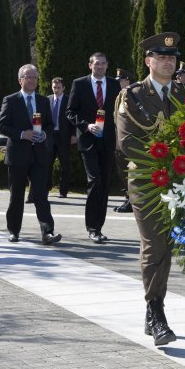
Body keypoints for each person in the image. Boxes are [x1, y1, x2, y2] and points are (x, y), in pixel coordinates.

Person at [115, 32, 185, 346]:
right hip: (146, 181)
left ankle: (153, 310)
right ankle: (155, 310)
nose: (168, 62)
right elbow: (127, 143)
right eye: (161, 57)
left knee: (167, 244)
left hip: (182, 183)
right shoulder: (132, 96)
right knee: (154, 243)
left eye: (172, 57)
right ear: (148, 61)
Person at [0, 64, 62, 245]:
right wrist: (21, 134)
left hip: (39, 155)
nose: (32, 80)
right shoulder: (10, 100)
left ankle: (47, 232)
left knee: (41, 195)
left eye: (35, 77)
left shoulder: (43, 101)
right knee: (16, 196)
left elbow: (49, 125)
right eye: (28, 77)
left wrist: (45, 135)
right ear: (20, 80)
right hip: (17, 155)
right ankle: (14, 231)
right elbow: (2, 126)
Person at [67, 53, 120, 243]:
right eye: (96, 64)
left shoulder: (114, 84)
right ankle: (91, 227)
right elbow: (70, 112)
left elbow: (119, 112)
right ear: (90, 65)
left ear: (107, 66)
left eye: (103, 64)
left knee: (104, 183)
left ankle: (99, 226)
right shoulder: (79, 84)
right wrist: (86, 125)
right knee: (95, 181)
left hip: (107, 140)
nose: (100, 67)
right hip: (88, 140)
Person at [28, 77, 74, 201]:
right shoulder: (47, 100)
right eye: (54, 87)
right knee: (47, 163)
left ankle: (63, 191)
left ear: (63, 88)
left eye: (59, 87)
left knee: (65, 164)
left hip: (64, 136)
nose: (56, 90)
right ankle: (46, 189)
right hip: (49, 135)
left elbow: (73, 118)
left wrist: (74, 135)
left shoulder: (68, 100)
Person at [113, 68, 136, 213]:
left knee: (130, 171)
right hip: (117, 139)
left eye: (121, 80)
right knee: (121, 170)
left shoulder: (133, 95)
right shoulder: (117, 95)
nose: (118, 83)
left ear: (127, 80)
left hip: (129, 139)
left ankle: (132, 201)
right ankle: (127, 198)